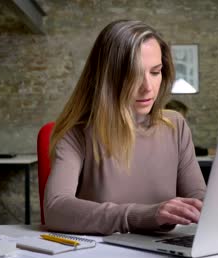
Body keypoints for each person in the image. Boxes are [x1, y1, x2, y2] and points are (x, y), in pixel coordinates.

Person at [44, 20, 206, 235]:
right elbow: (55, 209)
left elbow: (199, 200)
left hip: (164, 253)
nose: (147, 87)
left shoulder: (175, 125)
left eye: (155, 72)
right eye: (133, 74)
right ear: (107, 78)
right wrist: (143, 215)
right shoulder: (77, 132)